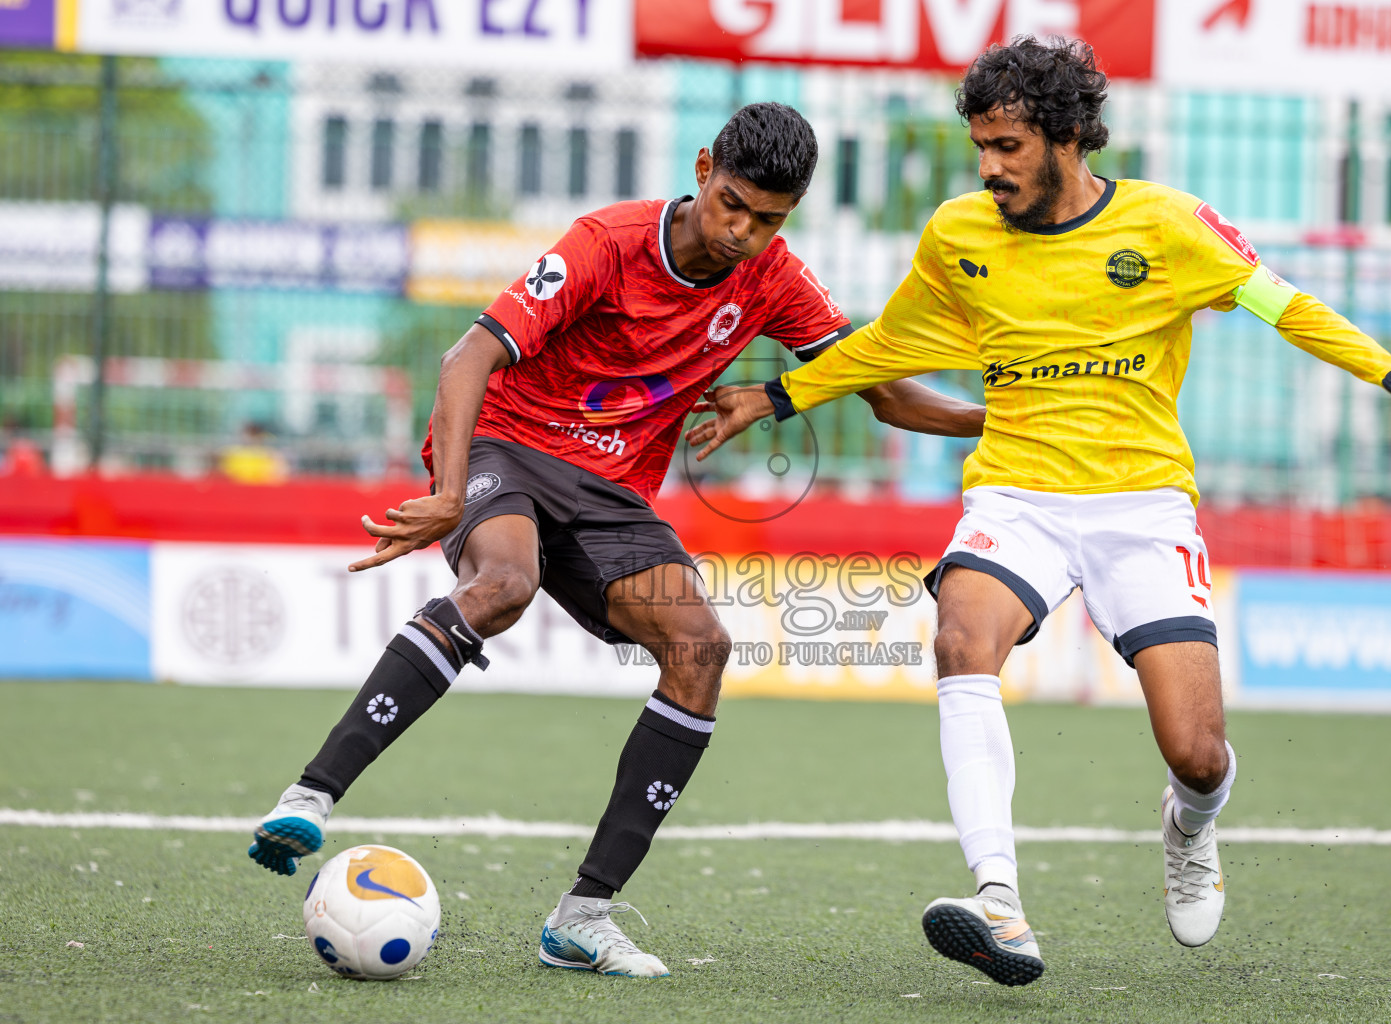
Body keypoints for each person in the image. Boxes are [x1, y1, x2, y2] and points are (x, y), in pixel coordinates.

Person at [689, 40, 1391, 987]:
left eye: (1006, 146)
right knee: (961, 640)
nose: (987, 167)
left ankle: (1190, 830)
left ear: (1068, 137)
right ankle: (1000, 901)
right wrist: (778, 397)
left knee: (1198, 754)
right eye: (980, 147)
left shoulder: (1168, 225)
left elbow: (1283, 303)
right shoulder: (958, 236)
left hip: (1141, 505)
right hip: (1017, 495)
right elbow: (885, 343)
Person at [247, 102, 985, 978]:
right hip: (507, 449)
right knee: (503, 585)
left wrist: (1008, 418)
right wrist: (448, 493)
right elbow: (466, 360)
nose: (743, 233)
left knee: (702, 648)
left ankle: (582, 916)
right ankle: (310, 796)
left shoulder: (776, 279)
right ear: (705, 168)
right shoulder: (607, 242)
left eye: (770, 219)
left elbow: (885, 392)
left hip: (611, 499)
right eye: (733, 205)